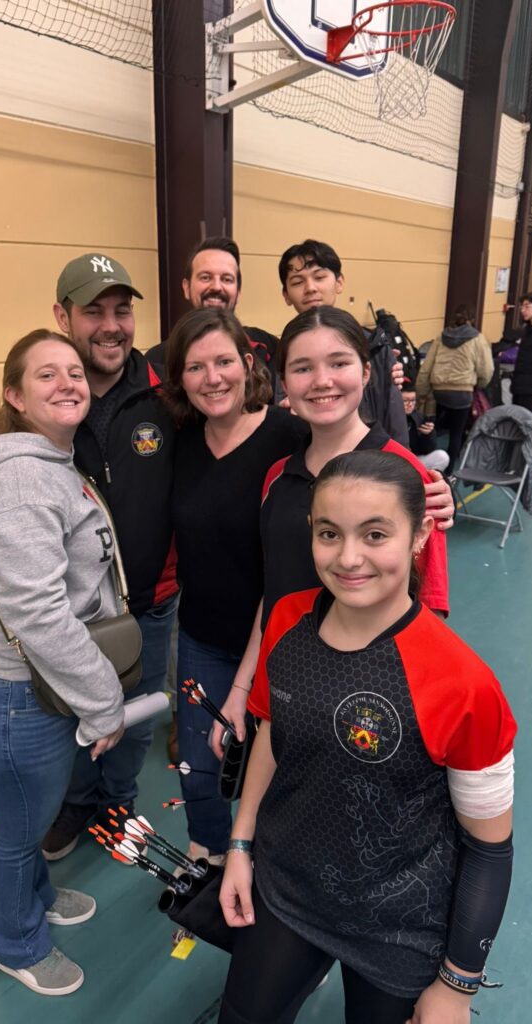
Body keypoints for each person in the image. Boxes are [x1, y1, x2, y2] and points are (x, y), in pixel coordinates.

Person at [218, 449, 516, 1024]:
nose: (348, 558)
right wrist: (240, 846)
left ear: (420, 534)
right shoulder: (287, 620)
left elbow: (488, 850)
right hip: (286, 889)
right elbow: (271, 734)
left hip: (399, 926)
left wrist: (457, 985)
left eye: (375, 534)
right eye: (329, 534)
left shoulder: (464, 684)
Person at [0, 330, 125, 996]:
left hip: (38, 690)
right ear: (15, 396)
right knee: (17, 832)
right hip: (16, 698)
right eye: (46, 375)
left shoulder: (51, 460)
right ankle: (17, 944)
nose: (68, 383)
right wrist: (102, 701)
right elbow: (40, 616)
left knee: (29, 816)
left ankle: (38, 896)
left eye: (74, 372)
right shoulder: (22, 478)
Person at [212, 307, 452, 756]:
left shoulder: (407, 476)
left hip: (364, 710)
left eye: (338, 363)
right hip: (282, 694)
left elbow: (430, 609)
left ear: (366, 372)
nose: (322, 381)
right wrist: (243, 689)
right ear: (284, 382)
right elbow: (274, 593)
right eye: (303, 368)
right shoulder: (277, 477)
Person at [43, 253, 179, 860]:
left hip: (150, 598)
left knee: (135, 714)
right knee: (73, 711)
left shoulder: (167, 392)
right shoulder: (47, 396)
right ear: (62, 316)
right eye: (93, 311)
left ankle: (118, 802)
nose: (111, 326)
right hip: (72, 607)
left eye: (122, 311)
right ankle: (77, 803)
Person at [163, 308, 309, 862]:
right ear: (180, 380)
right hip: (202, 638)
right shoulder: (180, 442)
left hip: (283, 643)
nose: (213, 378)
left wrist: (428, 487)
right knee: (200, 769)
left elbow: (368, 466)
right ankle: (209, 857)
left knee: (279, 772)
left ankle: (266, 869)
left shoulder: (291, 436)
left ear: (248, 364)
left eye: (224, 361)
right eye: (195, 367)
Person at [278, 240, 408, 446]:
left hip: (372, 459)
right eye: (297, 282)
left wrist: (401, 461)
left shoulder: (375, 346)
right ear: (286, 294)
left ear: (339, 282)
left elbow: (394, 420)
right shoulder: (280, 354)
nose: (310, 288)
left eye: (319, 277)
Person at [146, 237, 283, 398]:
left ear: (238, 291)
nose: (216, 287)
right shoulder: (157, 359)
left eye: (227, 279)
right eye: (205, 277)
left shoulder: (269, 348)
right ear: (186, 288)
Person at [415, 305, 494, 471]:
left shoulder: (441, 337)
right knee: (456, 433)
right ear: (472, 319)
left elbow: (426, 367)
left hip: (439, 391)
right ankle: (449, 471)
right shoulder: (478, 338)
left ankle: (429, 462)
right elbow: (486, 369)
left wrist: (421, 392)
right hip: (462, 392)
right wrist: (479, 385)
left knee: (432, 427)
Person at [401, 383, 449, 473]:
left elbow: (426, 450)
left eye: (413, 400)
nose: (410, 404)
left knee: (442, 456)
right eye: (405, 401)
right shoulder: (388, 417)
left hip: (411, 459)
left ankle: (425, 480)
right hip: (393, 462)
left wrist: (428, 435)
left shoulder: (417, 416)